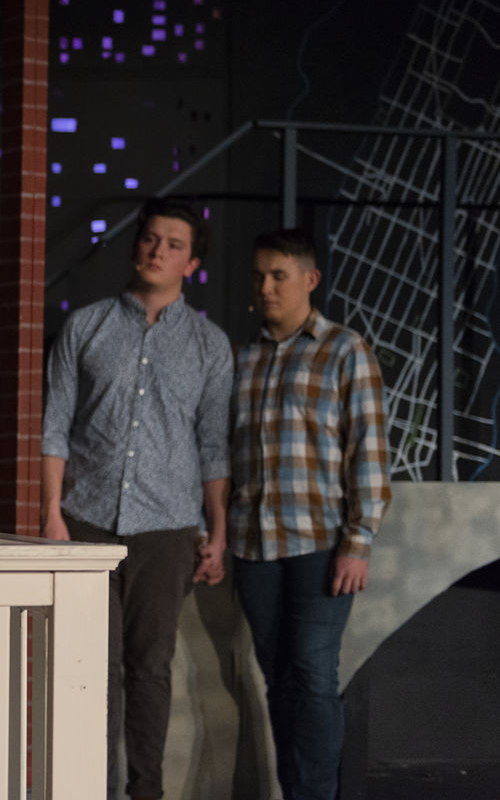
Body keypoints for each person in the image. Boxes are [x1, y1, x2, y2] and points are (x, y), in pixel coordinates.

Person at [41, 197, 233, 800]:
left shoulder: (209, 345)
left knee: (150, 668)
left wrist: (218, 530)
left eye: (174, 245)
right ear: (135, 245)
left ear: (192, 263)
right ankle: (91, 789)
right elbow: (55, 426)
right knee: (91, 668)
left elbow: (213, 444)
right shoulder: (86, 326)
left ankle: (144, 791)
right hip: (86, 520)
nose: (158, 251)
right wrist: (52, 514)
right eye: (150, 239)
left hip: (167, 526)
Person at [229, 228, 390, 800]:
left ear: (310, 279)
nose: (266, 288)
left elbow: (368, 449)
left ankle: (316, 794)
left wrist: (358, 542)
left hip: (321, 544)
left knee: (314, 676)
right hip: (253, 546)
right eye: (259, 276)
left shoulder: (345, 350)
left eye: (279, 276)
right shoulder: (243, 358)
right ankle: (294, 791)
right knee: (278, 680)